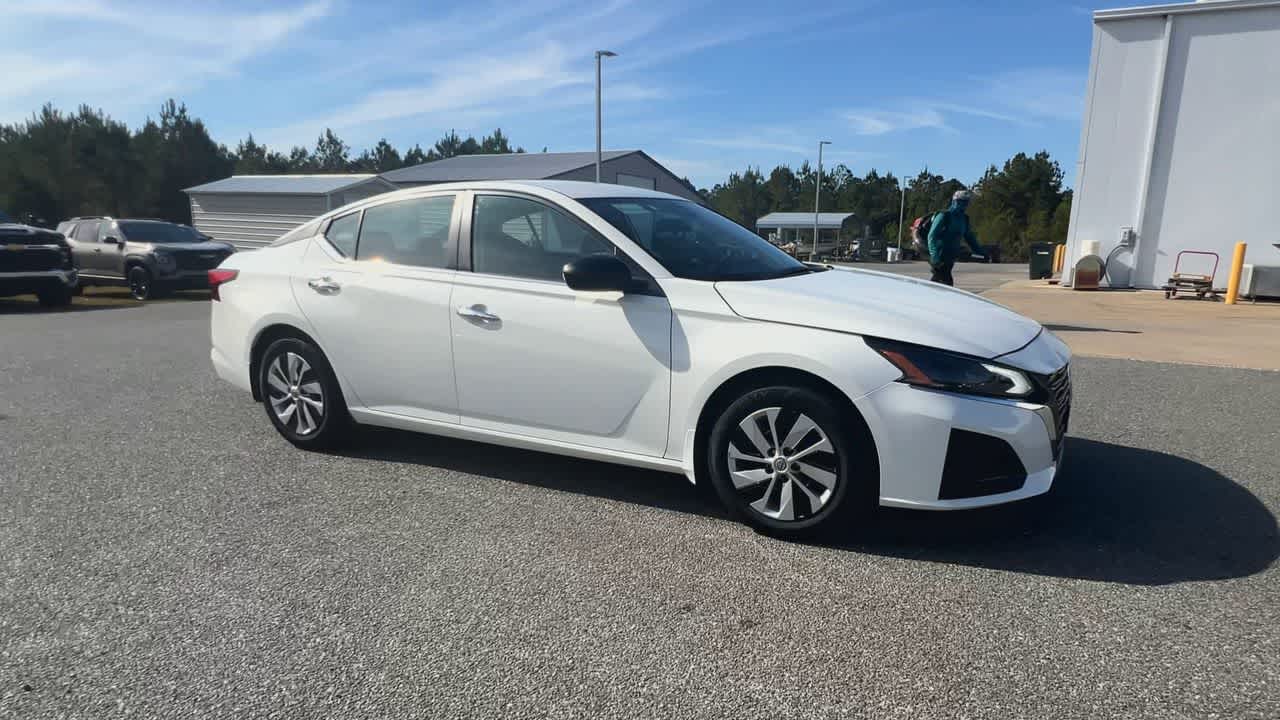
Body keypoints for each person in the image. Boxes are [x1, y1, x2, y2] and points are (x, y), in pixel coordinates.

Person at [927, 189, 984, 286]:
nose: (964, 205)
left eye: (966, 202)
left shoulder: (964, 219)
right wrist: (935, 256)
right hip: (940, 257)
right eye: (961, 202)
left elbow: (969, 237)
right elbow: (932, 236)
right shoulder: (944, 216)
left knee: (937, 285)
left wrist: (981, 252)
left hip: (951, 257)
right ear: (954, 201)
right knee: (946, 284)